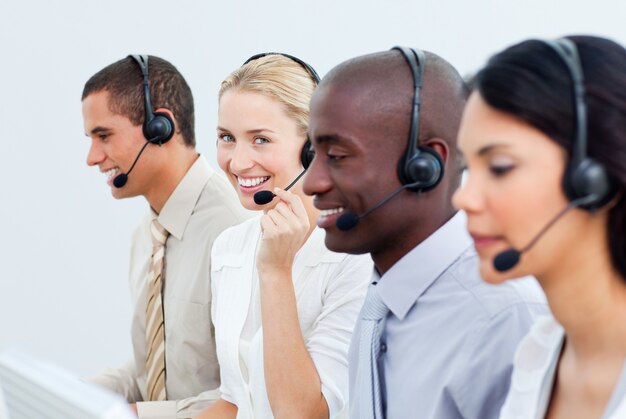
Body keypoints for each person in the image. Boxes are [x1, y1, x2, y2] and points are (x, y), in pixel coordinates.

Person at [302, 47, 547, 419]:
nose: (311, 182)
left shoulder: (502, 320)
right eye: (311, 155)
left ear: (424, 166)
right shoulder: (379, 298)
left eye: (336, 156)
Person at [453, 35, 626, 419]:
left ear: (593, 179)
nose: (463, 198)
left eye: (499, 167)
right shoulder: (540, 351)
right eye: (468, 170)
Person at [195, 54, 372, 419]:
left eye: (260, 139)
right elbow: (235, 402)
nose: (238, 161)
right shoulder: (230, 246)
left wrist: (275, 270)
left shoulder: (354, 258)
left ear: (313, 148)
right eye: (227, 137)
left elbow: (302, 414)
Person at [82, 55, 250, 419]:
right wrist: (73, 396)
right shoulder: (148, 234)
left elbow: (250, 396)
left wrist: (138, 415)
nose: (92, 158)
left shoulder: (235, 231)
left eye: (104, 136)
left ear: (161, 127)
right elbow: (153, 370)